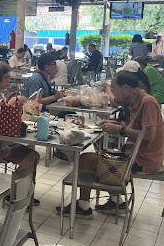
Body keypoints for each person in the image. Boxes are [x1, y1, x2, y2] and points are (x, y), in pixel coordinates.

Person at [56, 71, 164, 218]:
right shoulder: (138, 101)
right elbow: (138, 128)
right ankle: (116, 202)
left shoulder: (148, 102)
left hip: (143, 160)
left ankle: (83, 206)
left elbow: (150, 135)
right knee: (97, 156)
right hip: (135, 154)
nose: (113, 92)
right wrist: (115, 124)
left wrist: (121, 129)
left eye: (114, 88)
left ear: (125, 87)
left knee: (85, 160)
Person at [0, 64, 39, 166]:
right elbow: (3, 117)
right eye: (6, 78)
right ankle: (16, 182)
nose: (8, 80)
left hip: (2, 139)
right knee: (28, 161)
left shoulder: (0, 94)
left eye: (9, 77)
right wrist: (12, 101)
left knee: (35, 156)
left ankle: (25, 181)